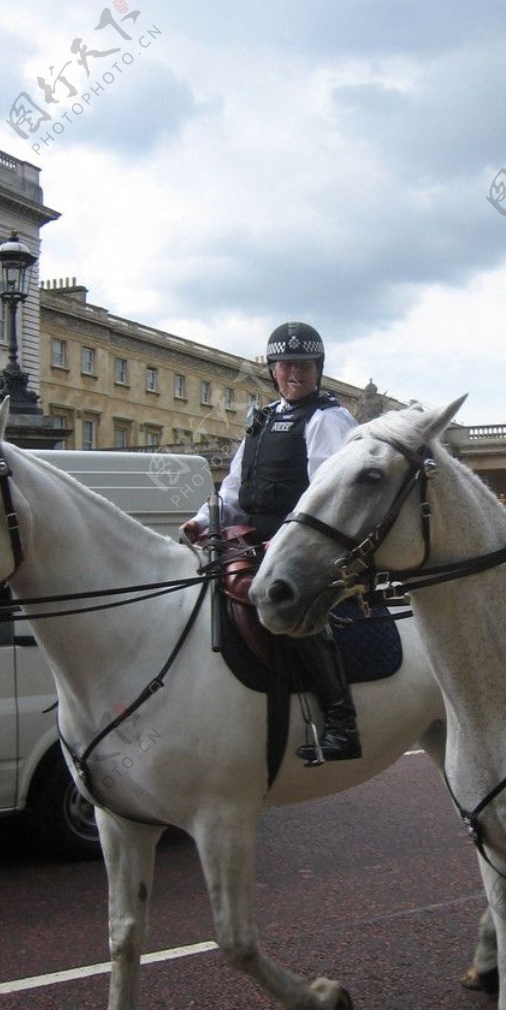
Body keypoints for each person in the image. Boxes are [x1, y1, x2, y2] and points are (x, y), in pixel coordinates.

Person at [181, 321, 362, 765]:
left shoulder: (327, 418)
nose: (293, 373)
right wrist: (204, 521)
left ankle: (342, 724)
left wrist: (288, 541)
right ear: (273, 371)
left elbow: (329, 495)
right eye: (284, 366)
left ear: (317, 370)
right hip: (255, 540)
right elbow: (235, 489)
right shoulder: (262, 420)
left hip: (308, 546)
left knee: (293, 615)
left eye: (302, 365)